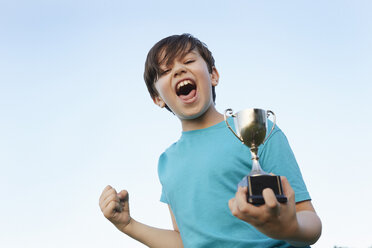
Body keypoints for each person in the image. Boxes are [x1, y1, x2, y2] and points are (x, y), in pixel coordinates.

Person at [99, 33, 322, 247]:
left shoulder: (258, 129)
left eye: (188, 60)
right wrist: (127, 224)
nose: (178, 70)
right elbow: (186, 241)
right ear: (157, 98)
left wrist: (286, 228)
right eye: (166, 70)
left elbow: (310, 224)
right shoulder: (166, 162)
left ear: (213, 75)